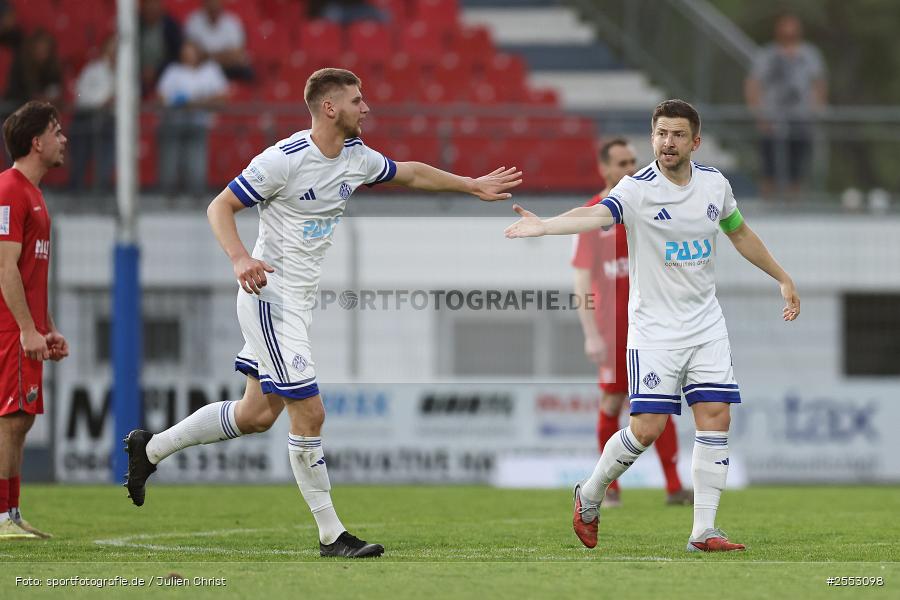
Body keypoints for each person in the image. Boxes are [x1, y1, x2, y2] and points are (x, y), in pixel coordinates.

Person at [124, 68, 521, 558]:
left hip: (297, 305)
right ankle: (332, 536)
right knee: (310, 413)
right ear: (329, 108)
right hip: (269, 298)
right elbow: (219, 207)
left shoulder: (355, 157)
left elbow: (411, 171)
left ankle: (151, 449)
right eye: (357, 100)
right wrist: (240, 258)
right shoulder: (283, 161)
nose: (366, 108)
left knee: (255, 415)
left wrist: (470, 184)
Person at [506, 99, 800, 552]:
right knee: (647, 429)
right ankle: (589, 493)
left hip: (705, 324)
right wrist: (545, 226)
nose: (668, 142)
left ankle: (703, 531)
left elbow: (739, 231)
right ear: (653, 138)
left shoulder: (714, 186)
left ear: (695, 142)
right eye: (661, 133)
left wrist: (782, 277)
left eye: (678, 134)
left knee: (717, 417)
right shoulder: (636, 188)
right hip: (654, 329)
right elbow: (598, 214)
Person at [572, 138, 690, 508]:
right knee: (612, 402)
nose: (630, 168)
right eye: (621, 163)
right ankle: (608, 489)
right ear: (604, 169)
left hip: (652, 325)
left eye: (633, 161)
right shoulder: (596, 213)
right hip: (613, 329)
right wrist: (591, 333)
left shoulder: (648, 204)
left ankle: (674, 487)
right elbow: (580, 279)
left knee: (658, 401)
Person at [0, 101, 69, 540]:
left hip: (24, 325)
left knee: (21, 419)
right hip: (9, 327)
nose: (63, 138)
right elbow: (5, 268)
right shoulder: (10, 189)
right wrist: (26, 329)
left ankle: (12, 512)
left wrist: (47, 327)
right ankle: (3, 518)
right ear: (35, 142)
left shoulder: (35, 195)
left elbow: (31, 274)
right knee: (10, 418)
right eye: (56, 130)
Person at [744, 12, 827, 198]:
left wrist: (816, 110)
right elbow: (753, 84)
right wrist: (758, 114)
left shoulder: (809, 55)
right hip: (772, 119)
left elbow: (818, 84)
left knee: (797, 170)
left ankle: (793, 209)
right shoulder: (767, 55)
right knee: (769, 169)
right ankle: (769, 209)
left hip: (801, 119)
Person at [156, 41, 228, 196]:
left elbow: (222, 97)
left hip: (199, 123)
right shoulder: (173, 71)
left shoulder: (210, 70)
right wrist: (177, 101)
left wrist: (196, 102)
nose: (188, 55)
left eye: (191, 51)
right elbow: (161, 96)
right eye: (185, 51)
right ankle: (168, 195)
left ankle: (196, 196)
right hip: (174, 122)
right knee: (171, 161)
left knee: (197, 162)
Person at [69, 37, 116, 191]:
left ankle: (101, 188)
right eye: (111, 48)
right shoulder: (92, 69)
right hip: (87, 117)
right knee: (81, 155)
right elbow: (80, 95)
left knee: (106, 155)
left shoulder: (126, 73)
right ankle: (76, 188)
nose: (114, 53)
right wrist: (102, 100)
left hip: (111, 120)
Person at [184, 0, 253, 81]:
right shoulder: (193, 21)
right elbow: (193, 54)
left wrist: (208, 56)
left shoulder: (232, 22)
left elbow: (237, 55)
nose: (214, 7)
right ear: (204, 4)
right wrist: (224, 55)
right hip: (202, 69)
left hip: (228, 68)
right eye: (211, 3)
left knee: (247, 72)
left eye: (216, 4)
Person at [4, 29, 62, 108]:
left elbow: (55, 89)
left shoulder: (53, 68)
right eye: (39, 49)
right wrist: (34, 98)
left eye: (45, 50)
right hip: (18, 109)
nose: (42, 54)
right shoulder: (20, 66)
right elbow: (14, 93)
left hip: (43, 110)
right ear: (32, 49)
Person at [139, 0, 183, 96]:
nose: (152, 8)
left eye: (155, 4)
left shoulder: (171, 26)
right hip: (138, 72)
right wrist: (142, 69)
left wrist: (157, 70)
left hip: (164, 72)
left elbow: (176, 53)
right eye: (149, 4)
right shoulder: (136, 25)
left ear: (161, 7)